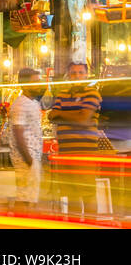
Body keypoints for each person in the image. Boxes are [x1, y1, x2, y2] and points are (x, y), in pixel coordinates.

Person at [49, 61, 102, 218]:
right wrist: (75, 114)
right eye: (73, 73)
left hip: (85, 153)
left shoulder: (92, 93)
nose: (77, 76)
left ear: (86, 75)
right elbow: (51, 115)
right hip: (65, 152)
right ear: (68, 75)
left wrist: (62, 113)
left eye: (80, 73)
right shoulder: (63, 93)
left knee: (88, 194)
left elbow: (84, 119)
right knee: (71, 194)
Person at [9, 68, 45, 209]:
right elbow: (18, 132)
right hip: (26, 158)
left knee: (30, 197)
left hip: (33, 156)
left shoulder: (34, 102)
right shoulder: (20, 104)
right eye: (35, 82)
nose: (39, 85)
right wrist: (29, 160)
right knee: (24, 197)